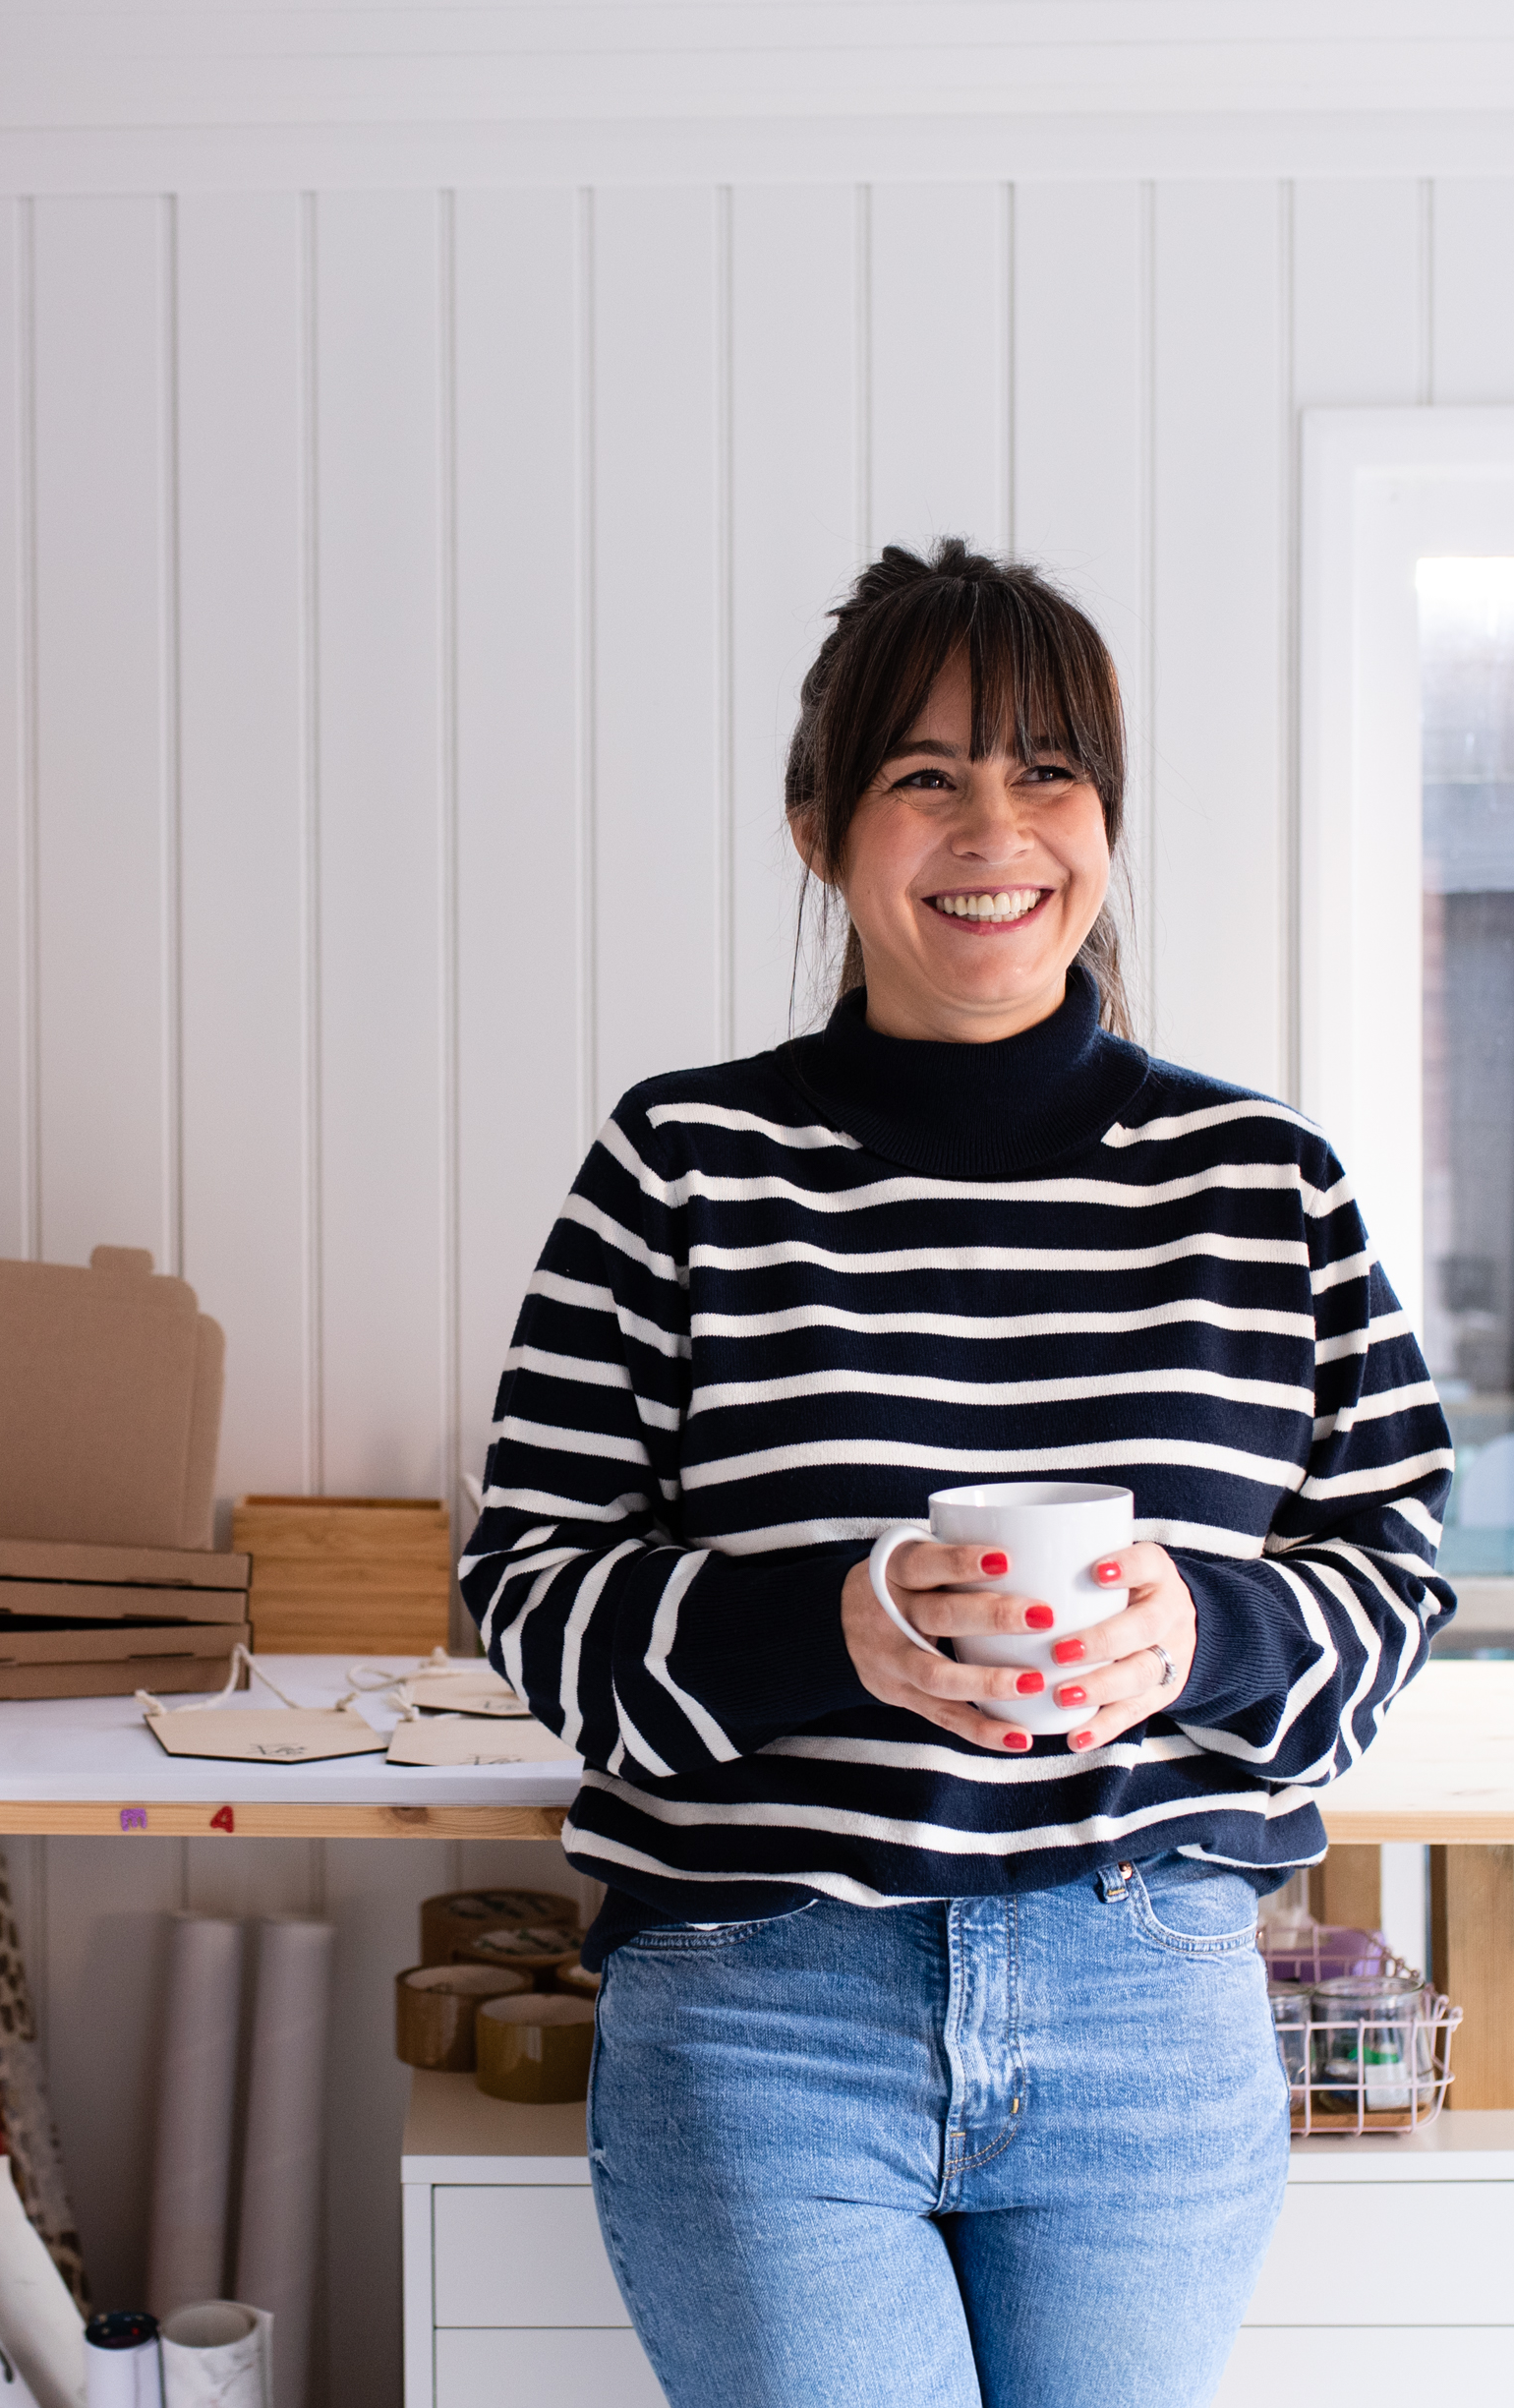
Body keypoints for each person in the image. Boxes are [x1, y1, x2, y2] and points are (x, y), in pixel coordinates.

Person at [459, 540, 1455, 2408]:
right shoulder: (681, 1168)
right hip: (763, 2009)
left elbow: (1397, 1572)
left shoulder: (1262, 1188)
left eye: (1044, 769)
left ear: (1102, 817)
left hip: (1146, 1993)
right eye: (923, 773)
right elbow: (527, 1582)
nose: (991, 825)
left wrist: (1206, 1633)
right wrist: (829, 1627)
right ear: (818, 825)